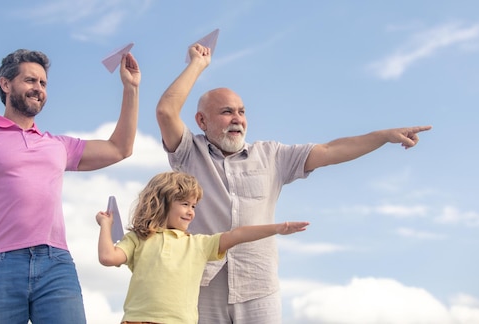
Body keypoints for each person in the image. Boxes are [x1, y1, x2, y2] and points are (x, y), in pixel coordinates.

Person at [155, 43, 433, 323]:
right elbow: (166, 112)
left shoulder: (272, 155)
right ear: (201, 120)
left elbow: (330, 151)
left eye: (242, 111)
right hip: (201, 285)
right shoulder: (189, 152)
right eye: (227, 112)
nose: (238, 119)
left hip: (258, 285)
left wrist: (383, 136)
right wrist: (198, 65)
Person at [0, 48, 141, 323]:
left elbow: (120, 148)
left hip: (56, 264)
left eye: (43, 83)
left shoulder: (57, 145)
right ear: (5, 83)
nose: (38, 89)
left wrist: (130, 88)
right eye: (30, 80)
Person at [95, 171, 309, 324]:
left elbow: (237, 234)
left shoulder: (198, 244)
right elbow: (107, 257)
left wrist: (279, 228)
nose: (191, 211)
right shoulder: (139, 238)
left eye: (194, 206)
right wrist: (106, 225)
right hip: (137, 321)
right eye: (185, 204)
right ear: (161, 203)